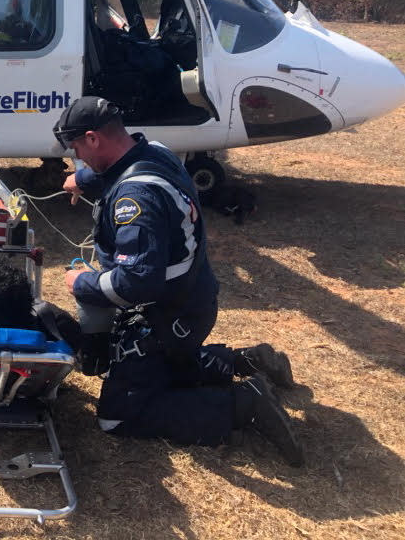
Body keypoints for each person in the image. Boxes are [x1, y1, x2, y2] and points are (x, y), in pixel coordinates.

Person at [53, 96, 304, 466]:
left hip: (168, 314)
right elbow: (119, 164)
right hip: (192, 299)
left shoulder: (134, 198)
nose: (79, 157)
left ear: (93, 139)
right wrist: (81, 178)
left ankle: (244, 403)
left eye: (77, 149)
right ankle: (247, 362)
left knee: (117, 416)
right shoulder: (156, 151)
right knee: (163, 365)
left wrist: (82, 283)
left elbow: (136, 283)